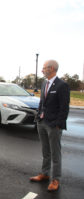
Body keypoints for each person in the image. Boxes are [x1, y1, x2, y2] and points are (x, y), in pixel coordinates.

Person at [30, 60, 70, 191]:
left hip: (53, 125)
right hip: (41, 122)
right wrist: (38, 116)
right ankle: (45, 174)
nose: (42, 70)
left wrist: (58, 124)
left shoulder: (62, 85)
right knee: (45, 151)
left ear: (51, 68)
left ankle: (55, 179)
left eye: (44, 68)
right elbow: (42, 101)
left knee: (55, 153)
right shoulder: (44, 83)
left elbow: (64, 108)